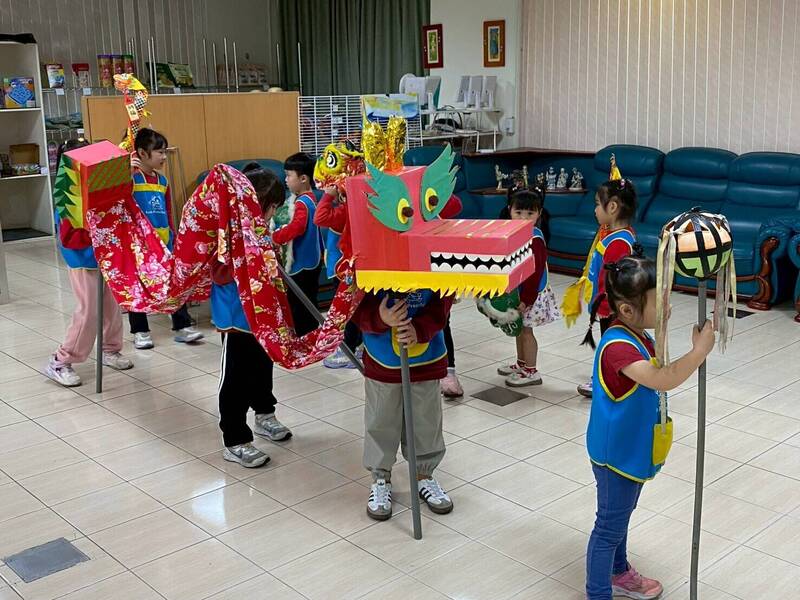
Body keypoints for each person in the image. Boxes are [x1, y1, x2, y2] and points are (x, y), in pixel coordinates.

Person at [584, 253, 715, 600]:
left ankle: (618, 571)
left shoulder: (638, 334)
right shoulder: (617, 349)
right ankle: (598, 592)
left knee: (620, 517)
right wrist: (699, 351)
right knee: (608, 527)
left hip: (632, 452)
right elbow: (663, 378)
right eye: (660, 301)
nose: (669, 306)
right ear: (627, 310)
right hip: (615, 457)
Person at [212, 163, 292, 468]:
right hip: (235, 316)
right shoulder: (227, 231)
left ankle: (264, 414)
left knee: (262, 364)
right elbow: (219, 272)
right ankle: (234, 439)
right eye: (271, 208)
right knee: (235, 376)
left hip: (261, 315)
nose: (271, 216)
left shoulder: (257, 228)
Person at [352, 289, 455, 521]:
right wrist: (378, 317)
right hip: (382, 356)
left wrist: (421, 328)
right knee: (381, 419)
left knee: (426, 420)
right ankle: (381, 478)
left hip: (426, 354)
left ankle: (424, 474)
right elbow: (352, 302)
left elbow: (444, 300)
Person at [45, 139, 134, 387]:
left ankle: (110, 349)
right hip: (83, 260)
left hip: (104, 257)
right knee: (89, 312)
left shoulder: (100, 187)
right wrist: (96, 229)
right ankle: (60, 361)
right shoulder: (66, 195)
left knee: (111, 307)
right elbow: (70, 238)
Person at [127, 128, 204, 349]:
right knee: (138, 288)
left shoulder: (162, 181)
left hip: (164, 243)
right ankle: (140, 331)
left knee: (174, 284)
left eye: (164, 152)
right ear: (142, 152)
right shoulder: (131, 178)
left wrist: (173, 234)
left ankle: (182, 326)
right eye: (159, 152)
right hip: (139, 245)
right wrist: (128, 170)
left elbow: (168, 211)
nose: (163, 157)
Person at [575, 178, 638, 398]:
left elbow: (612, 280)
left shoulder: (617, 242)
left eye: (596, 203)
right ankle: (608, 378)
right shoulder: (619, 235)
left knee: (610, 344)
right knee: (610, 343)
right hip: (610, 305)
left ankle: (605, 381)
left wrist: (604, 306)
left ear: (611, 207)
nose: (594, 210)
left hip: (610, 307)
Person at [496, 186, 560, 386]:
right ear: (510, 210)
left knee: (526, 332)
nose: (524, 217)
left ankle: (531, 371)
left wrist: (525, 301)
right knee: (518, 330)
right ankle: (521, 363)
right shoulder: (512, 234)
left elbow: (535, 273)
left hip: (531, 296)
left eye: (530, 213)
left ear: (539, 213)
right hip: (519, 293)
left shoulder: (535, 239)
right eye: (519, 212)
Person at [314, 183, 363, 369]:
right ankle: (358, 345)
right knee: (357, 307)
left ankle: (349, 349)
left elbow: (320, 217)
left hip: (342, 269)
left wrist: (327, 196)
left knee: (347, 310)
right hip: (352, 266)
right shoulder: (358, 209)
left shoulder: (345, 211)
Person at [278, 152, 324, 337]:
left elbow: (296, 228)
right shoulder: (309, 199)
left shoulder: (303, 202)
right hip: (312, 260)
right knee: (308, 300)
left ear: (303, 178)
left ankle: (305, 336)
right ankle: (309, 333)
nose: (286, 180)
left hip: (303, 263)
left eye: (289, 175)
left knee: (300, 302)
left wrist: (275, 236)